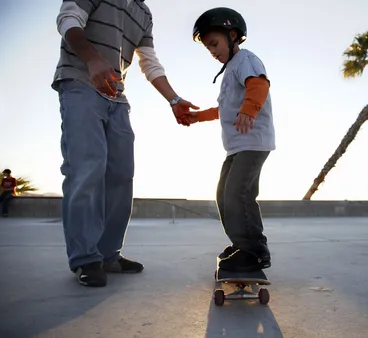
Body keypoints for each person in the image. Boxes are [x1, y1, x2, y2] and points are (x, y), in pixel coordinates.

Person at [52, 0, 198, 287]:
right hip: (80, 83)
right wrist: (93, 59)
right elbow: (68, 20)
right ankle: (85, 258)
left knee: (121, 174)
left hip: (116, 95)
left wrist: (174, 99)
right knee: (86, 169)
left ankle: (108, 254)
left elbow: (148, 62)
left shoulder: (143, 13)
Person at [187, 7, 276, 272]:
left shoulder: (246, 60)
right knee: (223, 195)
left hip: (253, 142)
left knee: (239, 193)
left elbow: (259, 85)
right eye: (208, 48)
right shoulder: (229, 71)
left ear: (233, 35)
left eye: (214, 43)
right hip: (236, 147)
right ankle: (241, 244)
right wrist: (197, 117)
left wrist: (249, 110)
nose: (212, 51)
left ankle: (255, 251)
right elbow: (223, 110)